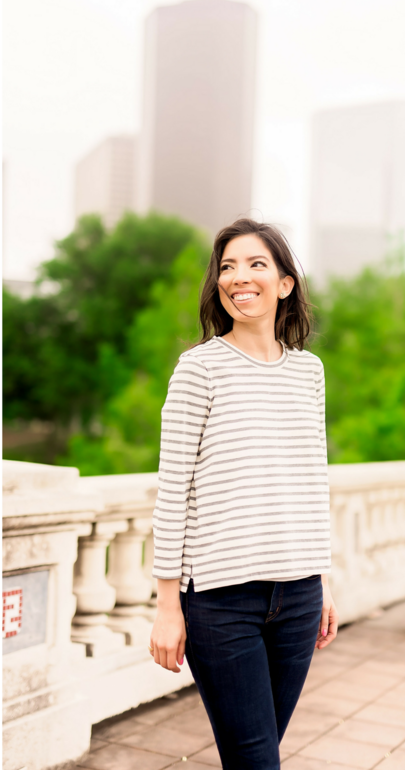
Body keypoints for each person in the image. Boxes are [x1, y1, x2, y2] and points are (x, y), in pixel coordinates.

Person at [149, 218, 338, 768]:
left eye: (257, 264)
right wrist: (166, 606)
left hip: (298, 597)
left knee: (257, 754)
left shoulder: (309, 372)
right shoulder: (199, 370)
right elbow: (172, 491)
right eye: (227, 267)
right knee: (257, 758)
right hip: (219, 601)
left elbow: (311, 481)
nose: (238, 277)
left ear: (285, 284)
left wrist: (320, 579)